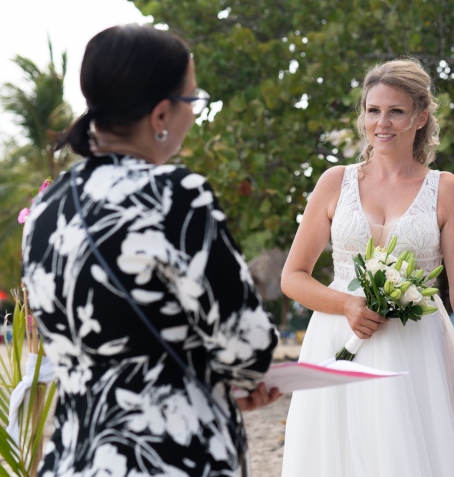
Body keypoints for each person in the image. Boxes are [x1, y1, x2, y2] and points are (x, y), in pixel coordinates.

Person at [21, 24, 280, 476]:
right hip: (168, 456)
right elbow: (248, 346)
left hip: (76, 457)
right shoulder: (175, 195)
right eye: (193, 100)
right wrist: (243, 379)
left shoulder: (47, 205)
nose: (194, 114)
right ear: (161, 115)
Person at [280, 59, 454, 477]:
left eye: (396, 111)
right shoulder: (335, 182)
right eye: (373, 110)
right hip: (338, 343)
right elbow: (292, 277)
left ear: (420, 117)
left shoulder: (446, 189)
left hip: (418, 347)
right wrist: (346, 305)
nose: (381, 123)